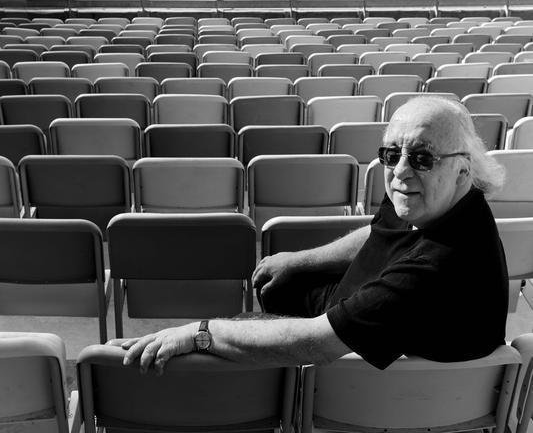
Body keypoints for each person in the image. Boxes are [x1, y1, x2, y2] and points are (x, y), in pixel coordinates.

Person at [109, 95, 508, 373]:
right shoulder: (441, 200)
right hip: (360, 301)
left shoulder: (434, 269)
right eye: (390, 154)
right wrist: (299, 261)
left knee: (225, 343)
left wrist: (199, 334)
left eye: (422, 158)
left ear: (463, 168)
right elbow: (378, 232)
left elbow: (316, 341)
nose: (401, 171)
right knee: (276, 285)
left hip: (369, 377)